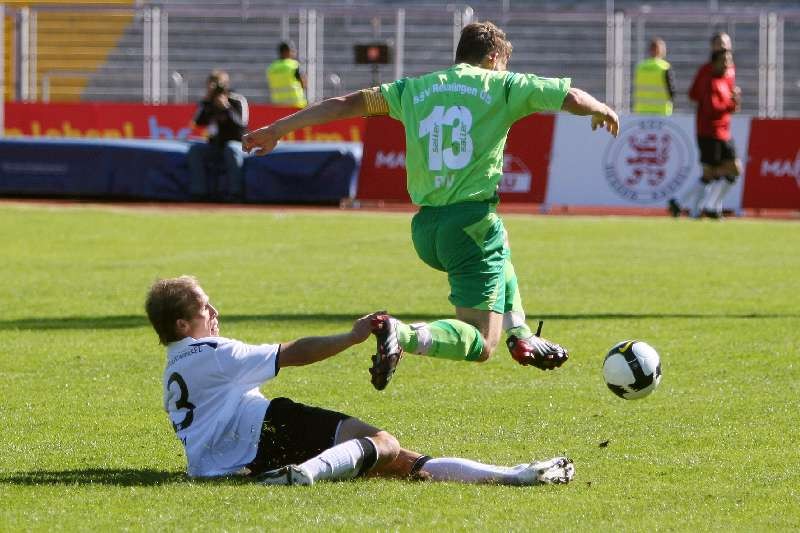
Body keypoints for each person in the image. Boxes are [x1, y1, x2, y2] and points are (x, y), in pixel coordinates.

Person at [243, 21, 619, 391]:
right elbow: (570, 97)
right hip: (470, 225)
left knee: (499, 243)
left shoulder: (415, 88)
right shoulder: (502, 85)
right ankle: (402, 334)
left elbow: (346, 103)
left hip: (426, 230)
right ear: (493, 58)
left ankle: (520, 335)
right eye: (503, 63)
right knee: (480, 340)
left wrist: (277, 129)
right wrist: (600, 108)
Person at [145, 275, 575, 486]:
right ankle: (302, 475)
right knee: (383, 443)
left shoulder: (174, 366)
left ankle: (516, 476)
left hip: (220, 463)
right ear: (183, 324)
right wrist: (352, 337)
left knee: (402, 463)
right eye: (204, 308)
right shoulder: (213, 354)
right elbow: (292, 353)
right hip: (265, 430)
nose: (214, 312)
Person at [669, 32, 740, 218]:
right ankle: (696, 209)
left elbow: (728, 100)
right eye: (720, 44)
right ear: (713, 48)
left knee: (724, 173)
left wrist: (733, 101)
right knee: (713, 173)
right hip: (709, 129)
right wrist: (725, 102)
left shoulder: (730, 70)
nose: (724, 48)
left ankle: (706, 207)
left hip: (724, 129)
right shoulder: (707, 73)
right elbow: (699, 98)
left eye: (726, 44)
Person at [187, 70, 249, 201]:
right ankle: (198, 192)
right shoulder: (208, 102)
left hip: (236, 143)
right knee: (195, 150)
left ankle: (235, 193)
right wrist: (207, 103)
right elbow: (198, 122)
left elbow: (241, 125)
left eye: (219, 84)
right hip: (215, 144)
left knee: (231, 149)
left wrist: (226, 107)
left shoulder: (237, 99)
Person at [633, 37, 674, 116]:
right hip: (661, 112)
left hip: (641, 111)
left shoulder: (640, 67)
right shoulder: (665, 67)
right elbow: (671, 92)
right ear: (661, 50)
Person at [267, 41, 308, 108]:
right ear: (286, 52)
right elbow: (304, 84)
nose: (294, 53)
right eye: (292, 51)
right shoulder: (294, 65)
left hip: (278, 105)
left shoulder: (272, 67)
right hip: (296, 105)